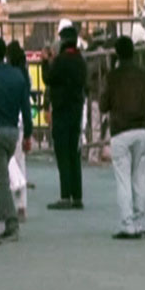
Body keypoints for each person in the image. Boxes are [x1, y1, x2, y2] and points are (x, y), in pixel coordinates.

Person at [99, 35, 145, 239]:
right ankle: (139, 220)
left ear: (117, 54)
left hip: (120, 131)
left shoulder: (112, 77)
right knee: (140, 177)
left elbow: (103, 104)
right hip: (142, 129)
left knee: (123, 179)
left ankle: (127, 224)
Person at [0, 38, 32, 240]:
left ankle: (11, 222)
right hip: (13, 131)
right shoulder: (18, 76)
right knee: (0, 175)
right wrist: (28, 134)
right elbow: (26, 108)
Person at [43, 25, 87, 210]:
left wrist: (45, 62)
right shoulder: (80, 61)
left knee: (62, 153)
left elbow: (48, 79)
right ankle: (77, 195)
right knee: (74, 152)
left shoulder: (60, 61)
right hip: (76, 110)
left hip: (61, 110)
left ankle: (65, 195)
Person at [6, 41, 32, 218]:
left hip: (9, 121)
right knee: (20, 162)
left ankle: (10, 204)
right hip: (21, 123)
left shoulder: (9, 76)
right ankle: (22, 205)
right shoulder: (25, 76)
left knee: (7, 164)